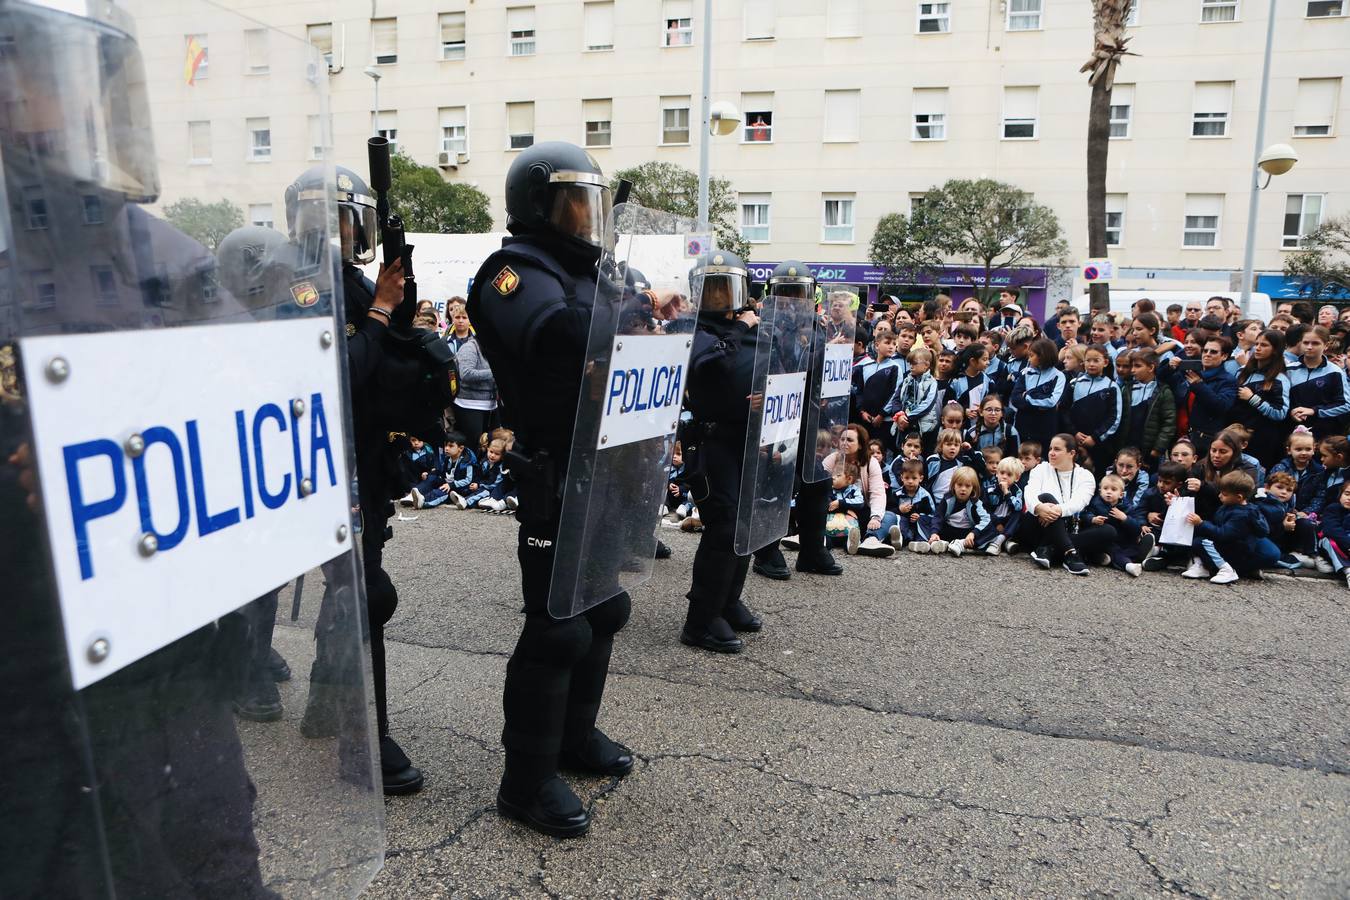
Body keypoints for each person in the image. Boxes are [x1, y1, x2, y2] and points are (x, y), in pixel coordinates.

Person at [467, 142, 665, 837]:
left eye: (595, 202)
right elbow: (553, 334)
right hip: (555, 466)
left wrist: (641, 307)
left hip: (609, 463)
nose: (588, 216)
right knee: (556, 628)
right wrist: (630, 312)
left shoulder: (595, 272)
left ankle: (574, 740)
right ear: (537, 205)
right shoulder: (515, 272)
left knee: (603, 609)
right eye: (574, 202)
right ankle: (524, 782)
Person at [680, 248, 764, 654]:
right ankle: (700, 620)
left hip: (745, 439)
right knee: (724, 525)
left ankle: (727, 601)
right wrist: (741, 326)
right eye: (710, 289)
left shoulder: (748, 329)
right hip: (710, 441)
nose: (718, 298)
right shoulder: (696, 331)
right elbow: (706, 364)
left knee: (745, 522)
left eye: (725, 288)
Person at [1021, 434, 1107, 575]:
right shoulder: (1040, 469)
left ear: (1071, 453)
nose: (1051, 453)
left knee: (1108, 531)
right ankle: (1070, 554)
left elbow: (1079, 502)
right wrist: (1039, 507)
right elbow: (1029, 493)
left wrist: (1057, 511)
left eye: (1057, 449)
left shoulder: (1085, 476)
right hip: (1037, 526)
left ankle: (1049, 550)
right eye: (1050, 449)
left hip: (1069, 527)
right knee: (1045, 497)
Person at [1181, 471, 1276, 584]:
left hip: (1236, 548)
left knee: (1202, 543)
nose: (1220, 496)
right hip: (1229, 544)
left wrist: (1202, 523)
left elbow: (1224, 534)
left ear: (1239, 497)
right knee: (1197, 539)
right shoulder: (1228, 506)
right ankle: (1204, 567)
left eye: (1224, 494)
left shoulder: (1241, 515)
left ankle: (1226, 569)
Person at [821, 425, 897, 557]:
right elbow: (819, 488)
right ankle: (810, 538)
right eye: (842, 439)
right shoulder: (832, 458)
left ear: (861, 445)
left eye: (850, 440)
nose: (844, 443)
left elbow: (877, 493)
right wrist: (843, 508)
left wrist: (875, 518)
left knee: (890, 516)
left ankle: (870, 540)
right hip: (833, 509)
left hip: (860, 510)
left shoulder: (871, 463)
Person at [1065, 344, 1121, 474]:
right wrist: (1074, 432)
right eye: (1088, 360)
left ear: (1105, 362)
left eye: (1096, 360)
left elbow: (1114, 418)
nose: (1091, 364)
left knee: (1098, 475)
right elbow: (1063, 410)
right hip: (1075, 441)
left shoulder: (1111, 387)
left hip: (1099, 445)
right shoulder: (1074, 383)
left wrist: (1095, 437)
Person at [1288, 326, 1350, 440]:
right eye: (1305, 342)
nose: (1309, 347)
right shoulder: (1289, 369)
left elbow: (1345, 405)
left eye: (1315, 343)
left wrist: (1314, 411)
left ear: (1326, 345)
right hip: (1291, 432)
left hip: (1324, 434)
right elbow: (1281, 399)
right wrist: (1291, 411)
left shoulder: (1335, 372)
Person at [1008, 337, 1067, 453]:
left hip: (1045, 428)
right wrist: (1038, 403)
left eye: (1032, 356)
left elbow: (1051, 401)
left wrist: (1027, 396)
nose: (1029, 360)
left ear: (1042, 356)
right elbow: (1015, 398)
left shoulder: (1058, 376)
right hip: (1023, 425)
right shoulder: (1026, 373)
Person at [451, 317, 499, 447]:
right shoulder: (470, 348)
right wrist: (496, 372)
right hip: (469, 405)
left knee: (490, 447)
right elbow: (466, 374)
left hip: (491, 405)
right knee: (473, 445)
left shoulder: (494, 349)